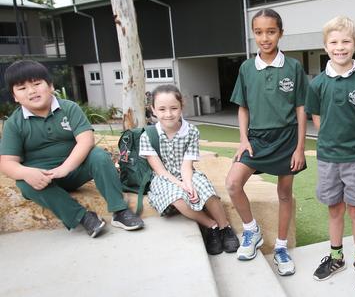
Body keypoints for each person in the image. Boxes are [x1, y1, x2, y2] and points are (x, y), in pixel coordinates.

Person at [0, 60, 144, 238]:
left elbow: (86, 140)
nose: (31, 91)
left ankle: (120, 211)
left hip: (74, 169)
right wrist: (27, 173)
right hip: (43, 179)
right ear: (14, 96)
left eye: (37, 84)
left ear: (50, 85)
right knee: (23, 182)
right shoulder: (14, 123)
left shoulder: (69, 108)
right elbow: (7, 163)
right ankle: (83, 217)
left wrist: (65, 168)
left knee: (99, 156)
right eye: (22, 88)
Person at [226, 8, 307, 276]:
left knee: (284, 194)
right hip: (257, 140)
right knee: (233, 183)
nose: (265, 38)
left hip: (287, 139)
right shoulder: (247, 68)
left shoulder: (293, 66)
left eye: (271, 31)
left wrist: (299, 148)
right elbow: (243, 108)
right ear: (253, 35)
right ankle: (252, 230)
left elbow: (300, 109)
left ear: (280, 33)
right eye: (259, 32)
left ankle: (281, 248)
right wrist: (243, 140)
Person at [305, 16, 355, 288]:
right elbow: (318, 118)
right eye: (334, 42)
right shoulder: (318, 83)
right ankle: (336, 256)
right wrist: (330, 140)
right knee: (335, 209)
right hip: (328, 157)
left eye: (346, 41)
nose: (340, 47)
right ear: (325, 46)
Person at [138, 84, 239, 255]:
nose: (168, 114)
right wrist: (180, 185)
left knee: (207, 192)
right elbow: (160, 170)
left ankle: (224, 227)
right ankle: (211, 225)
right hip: (164, 178)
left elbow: (187, 165)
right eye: (162, 109)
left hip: (187, 173)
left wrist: (188, 183)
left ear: (181, 107)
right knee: (178, 199)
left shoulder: (191, 131)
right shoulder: (147, 135)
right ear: (153, 110)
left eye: (173, 108)